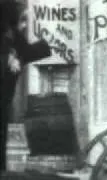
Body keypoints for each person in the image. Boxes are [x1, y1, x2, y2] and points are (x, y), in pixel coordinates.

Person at [0, 0, 51, 172]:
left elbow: (26, 52)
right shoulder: (8, 35)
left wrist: (46, 44)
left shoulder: (13, 34)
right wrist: (8, 58)